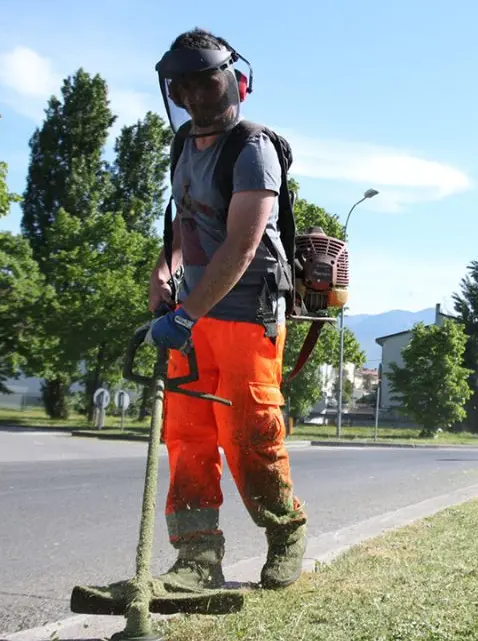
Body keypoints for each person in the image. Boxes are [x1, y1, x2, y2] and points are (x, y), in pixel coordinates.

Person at [144, 27, 306, 592]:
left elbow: (240, 246)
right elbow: (185, 223)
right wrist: (163, 274)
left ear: (235, 82)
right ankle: (197, 557)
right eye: (183, 89)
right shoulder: (183, 144)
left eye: (205, 86)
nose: (194, 99)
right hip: (193, 314)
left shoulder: (252, 148)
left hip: (247, 312)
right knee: (186, 434)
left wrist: (185, 314)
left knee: (249, 433)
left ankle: (284, 532)